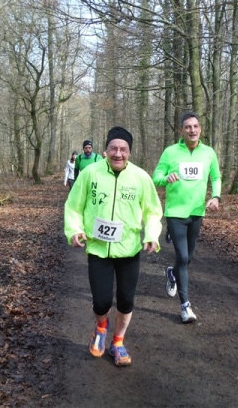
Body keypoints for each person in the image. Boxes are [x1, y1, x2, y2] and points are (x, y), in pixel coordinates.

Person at [64, 126, 163, 366]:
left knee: (126, 301)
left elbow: (152, 211)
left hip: (129, 250)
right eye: (113, 148)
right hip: (98, 250)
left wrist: (152, 234)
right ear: (106, 150)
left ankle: (118, 343)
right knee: (101, 302)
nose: (118, 153)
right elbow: (73, 206)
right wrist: (74, 230)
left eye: (123, 149)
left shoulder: (141, 177)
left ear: (129, 152)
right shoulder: (90, 173)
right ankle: (101, 327)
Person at [152, 112, 221, 324]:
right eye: (188, 127)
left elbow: (216, 177)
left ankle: (172, 273)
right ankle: (185, 306)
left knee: (188, 258)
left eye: (195, 126)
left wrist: (216, 197)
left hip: (197, 211)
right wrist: (166, 178)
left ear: (200, 129)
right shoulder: (170, 152)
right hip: (175, 213)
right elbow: (156, 177)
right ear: (181, 130)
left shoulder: (208, 153)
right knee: (182, 257)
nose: (192, 130)